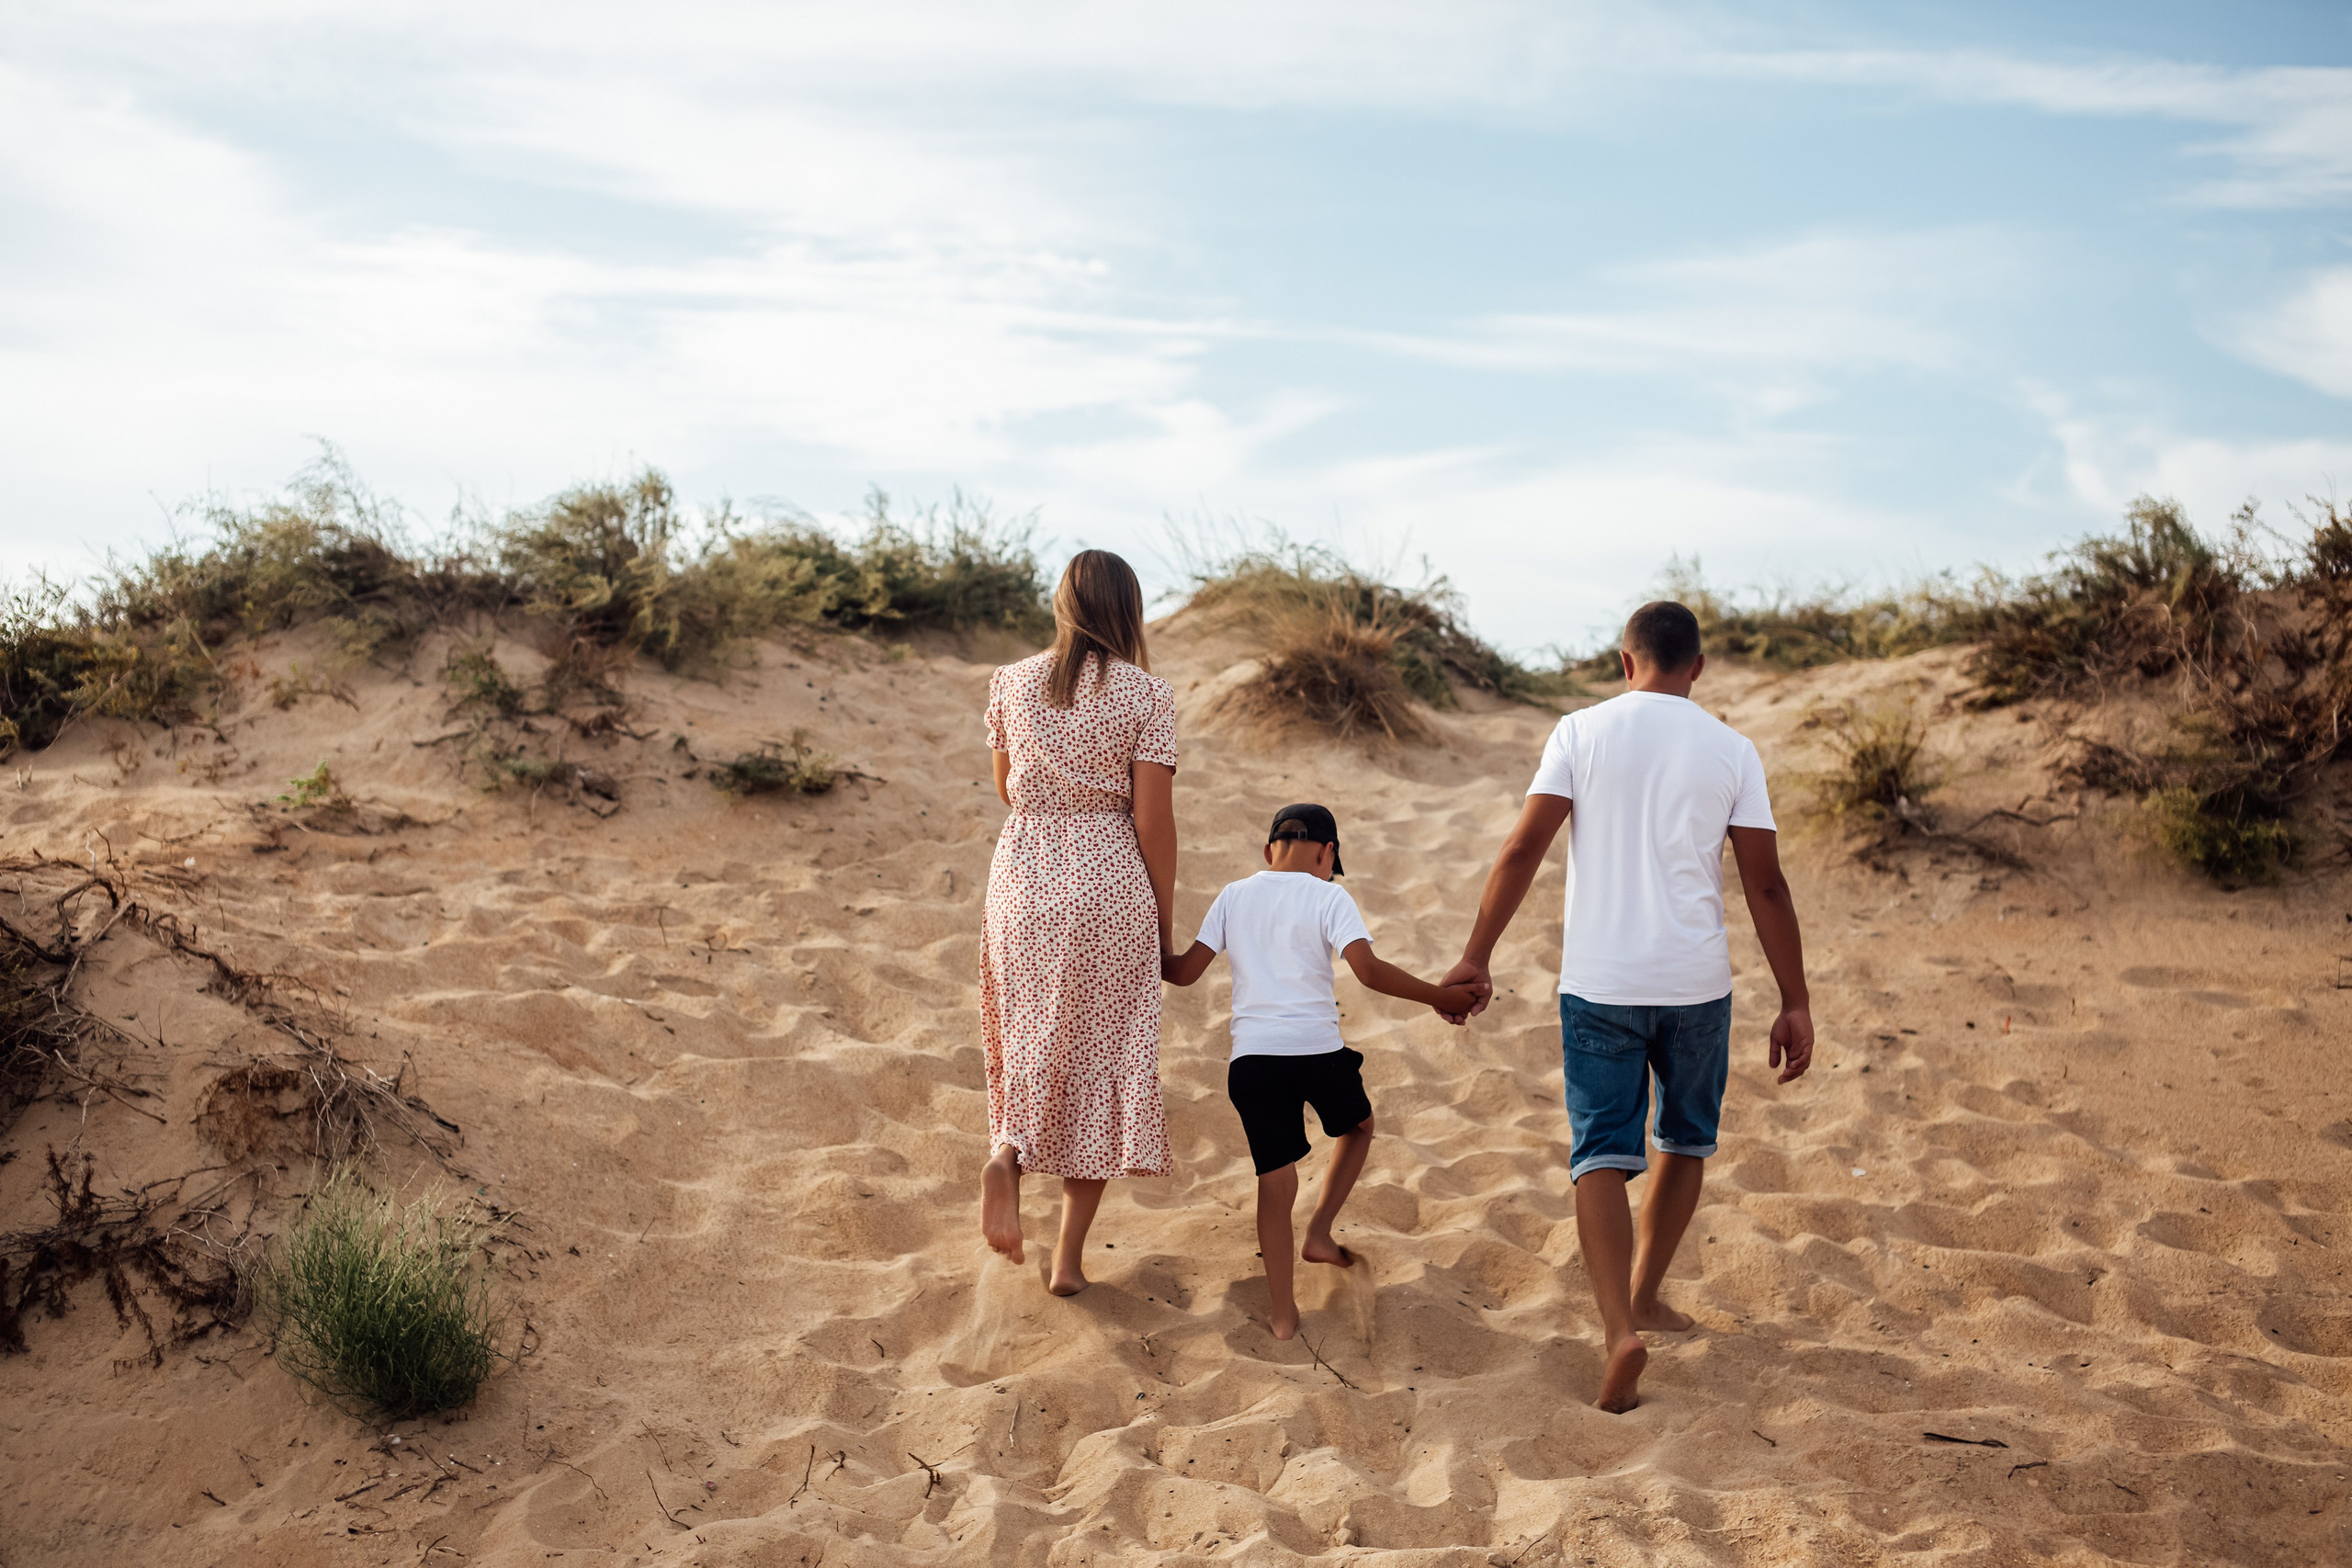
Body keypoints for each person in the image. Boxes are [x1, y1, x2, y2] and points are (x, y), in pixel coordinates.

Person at [1438, 601, 1814, 1412]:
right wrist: (1796, 998)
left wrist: (1477, 954)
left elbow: (1523, 849)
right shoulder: (1732, 748)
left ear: (1624, 661)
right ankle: (1645, 1290)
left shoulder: (1579, 731)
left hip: (1600, 982)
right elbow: (1766, 884)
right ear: (1698, 668)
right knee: (1686, 1136)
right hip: (1696, 984)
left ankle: (1620, 1328)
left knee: (1600, 1153)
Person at [1163, 804, 1483, 1339]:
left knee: (1275, 1179)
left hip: (1253, 1062)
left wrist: (1138, 939)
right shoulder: (1330, 894)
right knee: (1359, 1128)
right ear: (1327, 852)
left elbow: (1185, 973)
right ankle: (1318, 1232)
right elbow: (1370, 971)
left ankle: (1283, 1314)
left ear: (1268, 852)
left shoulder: (1233, 895)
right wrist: (1439, 996)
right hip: (1316, 1052)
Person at [978, 550, 1180, 1296]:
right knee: (1102, 1060)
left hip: (1023, 876)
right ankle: (1066, 1259)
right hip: (1108, 881)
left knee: (1026, 1036)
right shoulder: (1145, 694)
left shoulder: (1012, 681)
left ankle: (1008, 1150)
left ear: (1063, 604)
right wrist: (1161, 926)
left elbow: (1007, 789)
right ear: (1127, 608)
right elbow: (1154, 822)